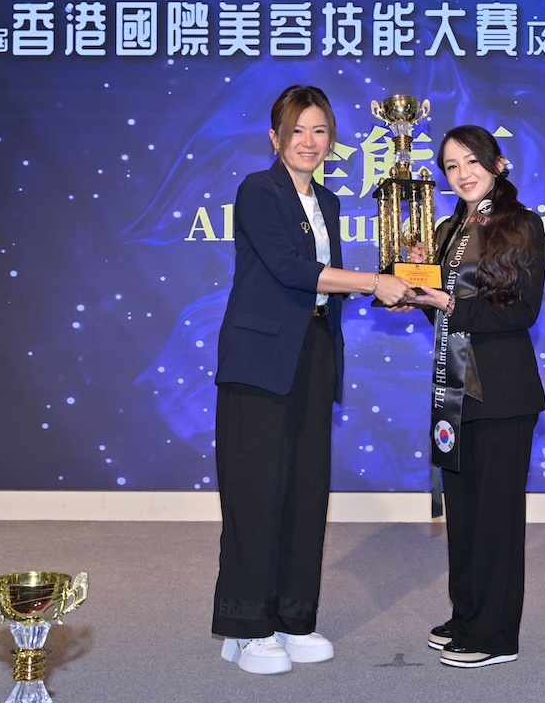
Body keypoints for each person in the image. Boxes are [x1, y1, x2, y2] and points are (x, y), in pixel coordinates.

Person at [211, 83, 414, 674]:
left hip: (315, 352)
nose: (308, 141)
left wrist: (400, 287)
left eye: (319, 130)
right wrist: (374, 282)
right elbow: (292, 269)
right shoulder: (258, 190)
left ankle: (293, 617)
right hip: (260, 360)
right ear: (274, 138)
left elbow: (324, 284)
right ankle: (246, 627)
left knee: (305, 490)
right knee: (255, 491)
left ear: (332, 139)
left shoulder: (327, 201)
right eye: (296, 130)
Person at [403, 125, 545, 668]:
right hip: (456, 388)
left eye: (472, 161)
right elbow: (444, 315)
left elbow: (520, 311)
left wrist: (446, 302)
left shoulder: (520, 224)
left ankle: (495, 635)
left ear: (497, 164)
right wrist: (419, 291)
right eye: (451, 165)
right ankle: (467, 616)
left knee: (496, 517)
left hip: (503, 393)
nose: (462, 174)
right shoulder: (449, 229)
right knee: (463, 513)